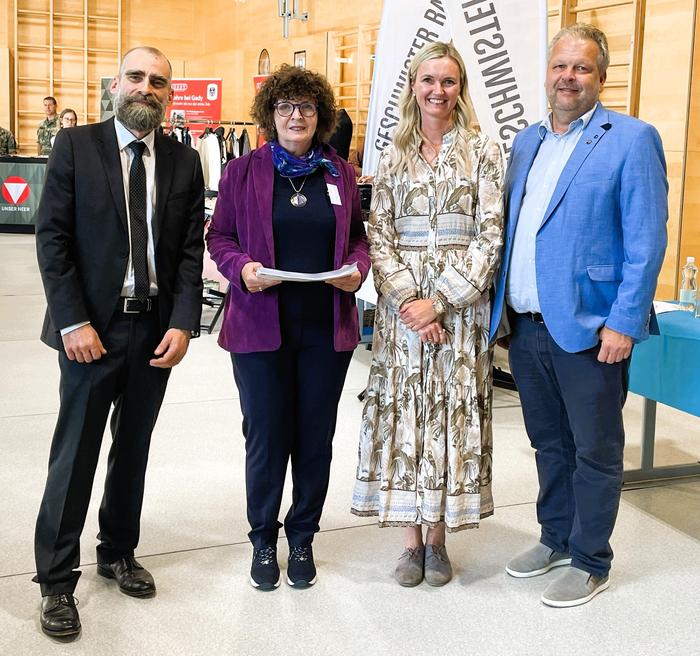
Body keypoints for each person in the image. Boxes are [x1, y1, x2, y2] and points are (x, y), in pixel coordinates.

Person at [490, 23, 668, 608]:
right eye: (560, 66)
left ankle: (592, 559)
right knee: (548, 444)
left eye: (582, 68)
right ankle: (555, 538)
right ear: (547, 73)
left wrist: (625, 321)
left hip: (593, 329)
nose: (568, 77)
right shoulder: (526, 141)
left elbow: (646, 241)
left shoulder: (631, 138)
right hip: (527, 326)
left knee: (595, 449)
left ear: (601, 76)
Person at [34, 46, 205, 637]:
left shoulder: (184, 162)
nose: (146, 89)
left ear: (170, 94)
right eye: (136, 77)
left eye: (159, 81)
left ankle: (117, 552)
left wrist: (184, 323)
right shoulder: (76, 148)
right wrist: (72, 321)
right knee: (75, 455)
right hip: (91, 332)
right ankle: (56, 582)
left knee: (133, 450)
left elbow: (188, 253)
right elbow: (52, 239)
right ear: (115, 84)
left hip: (154, 329)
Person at [207, 64, 370, 591]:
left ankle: (302, 535)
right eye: (284, 107)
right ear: (269, 115)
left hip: (325, 329)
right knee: (266, 434)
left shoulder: (340, 174)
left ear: (319, 116)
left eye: (305, 107)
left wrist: (357, 271)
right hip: (259, 328)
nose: (295, 116)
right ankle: (262, 538)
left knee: (314, 437)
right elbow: (220, 238)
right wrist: (242, 270)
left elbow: (359, 243)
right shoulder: (242, 172)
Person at [351, 41, 504, 587]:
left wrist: (438, 301)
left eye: (449, 81)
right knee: (405, 417)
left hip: (460, 313)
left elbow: (491, 236)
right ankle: (409, 541)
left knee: (449, 415)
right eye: (428, 80)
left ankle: (438, 540)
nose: (438, 90)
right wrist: (410, 303)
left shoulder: (485, 152)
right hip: (401, 314)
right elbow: (379, 234)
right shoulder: (391, 155)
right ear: (413, 87)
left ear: (461, 88)